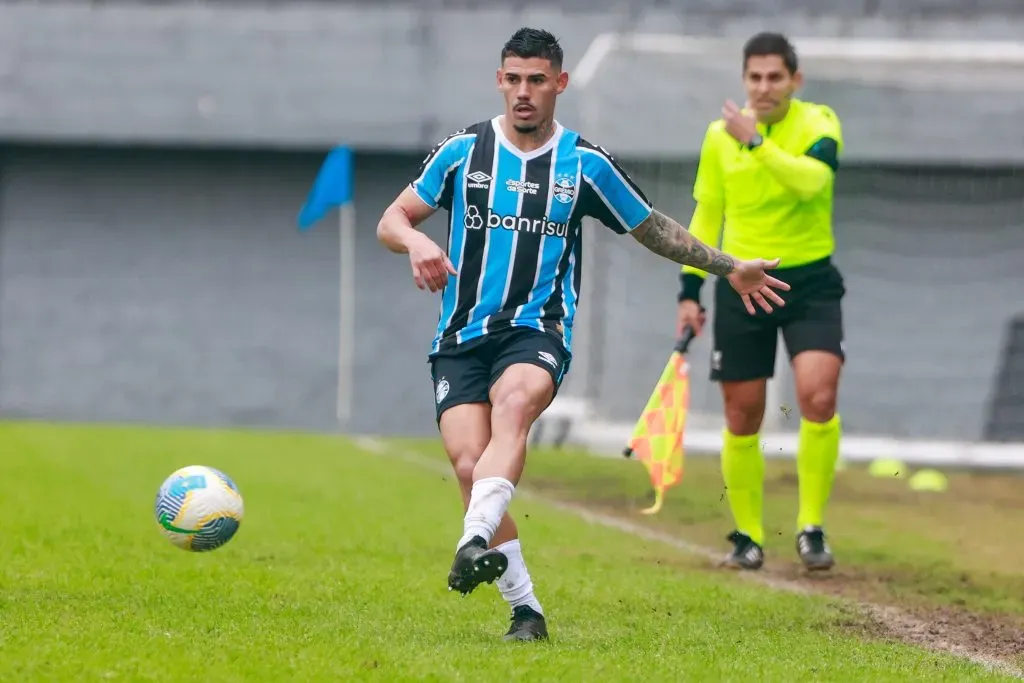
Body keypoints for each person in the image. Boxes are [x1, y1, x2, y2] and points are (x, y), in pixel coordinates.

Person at [376, 27, 790, 642]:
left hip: (537, 331)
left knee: (513, 408)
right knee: (469, 465)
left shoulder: (585, 164)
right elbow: (393, 217)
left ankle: (470, 540)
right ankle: (527, 611)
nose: (524, 92)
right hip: (460, 335)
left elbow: (654, 230)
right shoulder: (463, 152)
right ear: (499, 80)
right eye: (513, 79)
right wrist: (415, 241)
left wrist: (730, 269)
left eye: (537, 80)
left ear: (559, 84)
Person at [676, 31, 846, 573]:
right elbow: (706, 216)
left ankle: (811, 527)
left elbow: (812, 183)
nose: (765, 86)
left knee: (817, 397)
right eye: (755, 77)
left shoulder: (819, 123)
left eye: (776, 76)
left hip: (810, 284)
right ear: (744, 80)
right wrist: (690, 290)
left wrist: (756, 143)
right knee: (741, 414)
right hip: (742, 285)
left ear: (795, 79)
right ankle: (748, 535)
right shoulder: (717, 136)